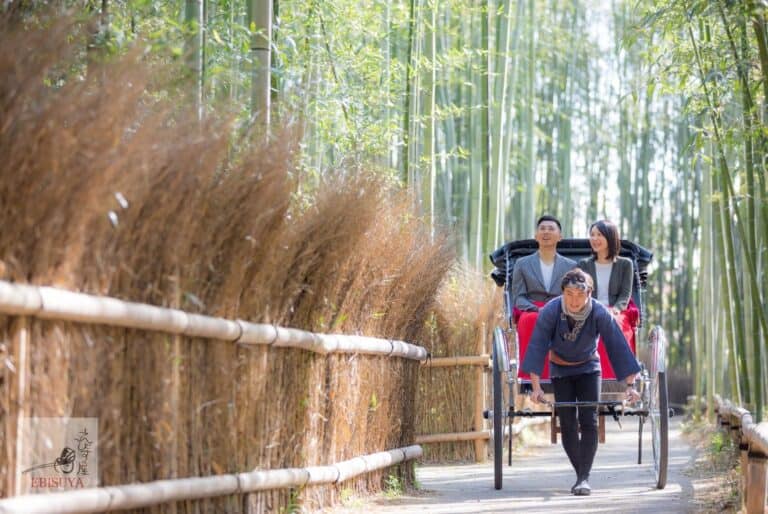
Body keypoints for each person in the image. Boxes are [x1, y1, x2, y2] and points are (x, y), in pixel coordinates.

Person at [521, 269, 641, 496]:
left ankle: (583, 478)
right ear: (562, 293)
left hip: (589, 368)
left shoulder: (598, 312)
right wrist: (536, 387)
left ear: (590, 293)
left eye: (580, 294)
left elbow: (617, 346)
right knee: (567, 422)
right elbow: (537, 347)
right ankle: (581, 475)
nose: (574, 300)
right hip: (560, 370)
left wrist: (630, 386)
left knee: (589, 420)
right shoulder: (551, 311)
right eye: (569, 294)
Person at [510, 214, 576, 381]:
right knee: (530, 320)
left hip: (562, 308)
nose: (546, 232)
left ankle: (566, 371)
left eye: (551, 229)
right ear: (536, 235)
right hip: (533, 308)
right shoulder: (522, 264)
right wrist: (536, 308)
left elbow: (573, 294)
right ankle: (531, 375)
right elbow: (519, 296)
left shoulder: (571, 266)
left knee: (567, 322)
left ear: (560, 236)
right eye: (542, 229)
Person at [577, 219, 638, 376]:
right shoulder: (584, 265)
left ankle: (619, 375)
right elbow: (580, 293)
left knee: (615, 324)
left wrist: (615, 310)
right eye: (592, 235)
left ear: (610, 237)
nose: (595, 239)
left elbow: (625, 294)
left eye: (599, 234)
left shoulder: (626, 264)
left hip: (616, 310)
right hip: (590, 310)